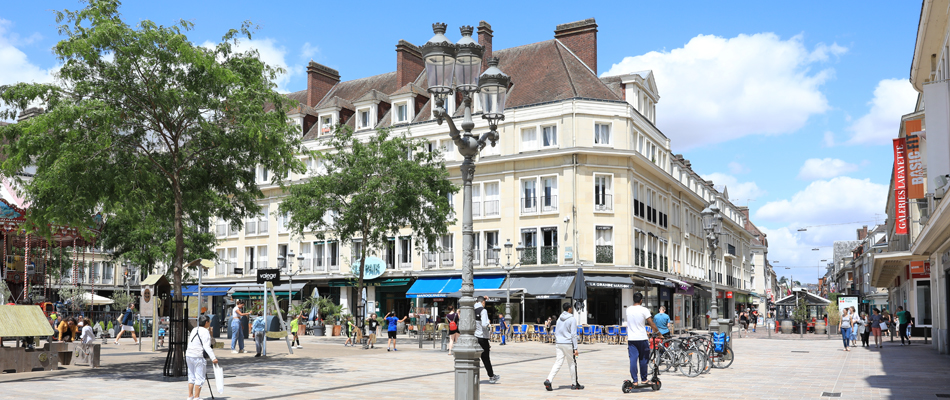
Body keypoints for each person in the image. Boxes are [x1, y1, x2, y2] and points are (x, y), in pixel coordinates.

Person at [544, 302, 582, 391]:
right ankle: (574, 383)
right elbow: (573, 334)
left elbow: (556, 331)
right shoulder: (572, 319)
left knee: (558, 362)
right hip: (568, 343)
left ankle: (549, 379)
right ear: (569, 309)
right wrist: (575, 348)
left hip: (559, 343)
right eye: (571, 308)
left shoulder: (559, 319)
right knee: (572, 363)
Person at [625, 292, 660, 387]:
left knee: (633, 360)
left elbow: (635, 323)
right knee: (644, 359)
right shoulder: (644, 310)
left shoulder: (628, 310)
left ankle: (635, 380)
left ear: (633, 300)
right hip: (642, 338)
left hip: (632, 339)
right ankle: (644, 379)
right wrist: (659, 334)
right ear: (641, 300)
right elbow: (651, 324)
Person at [186, 315, 218, 400]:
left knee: (191, 376)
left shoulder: (194, 329)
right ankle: (196, 397)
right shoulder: (205, 331)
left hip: (189, 354)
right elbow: (207, 346)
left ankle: (190, 396)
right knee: (199, 377)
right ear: (206, 322)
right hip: (198, 356)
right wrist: (213, 358)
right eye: (209, 322)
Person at [474, 296, 500, 383]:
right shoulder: (483, 310)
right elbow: (485, 325)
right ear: (483, 302)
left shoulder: (472, 309)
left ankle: (474, 376)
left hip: (474, 336)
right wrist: (489, 324)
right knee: (485, 358)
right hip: (482, 337)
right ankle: (492, 376)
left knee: (474, 357)